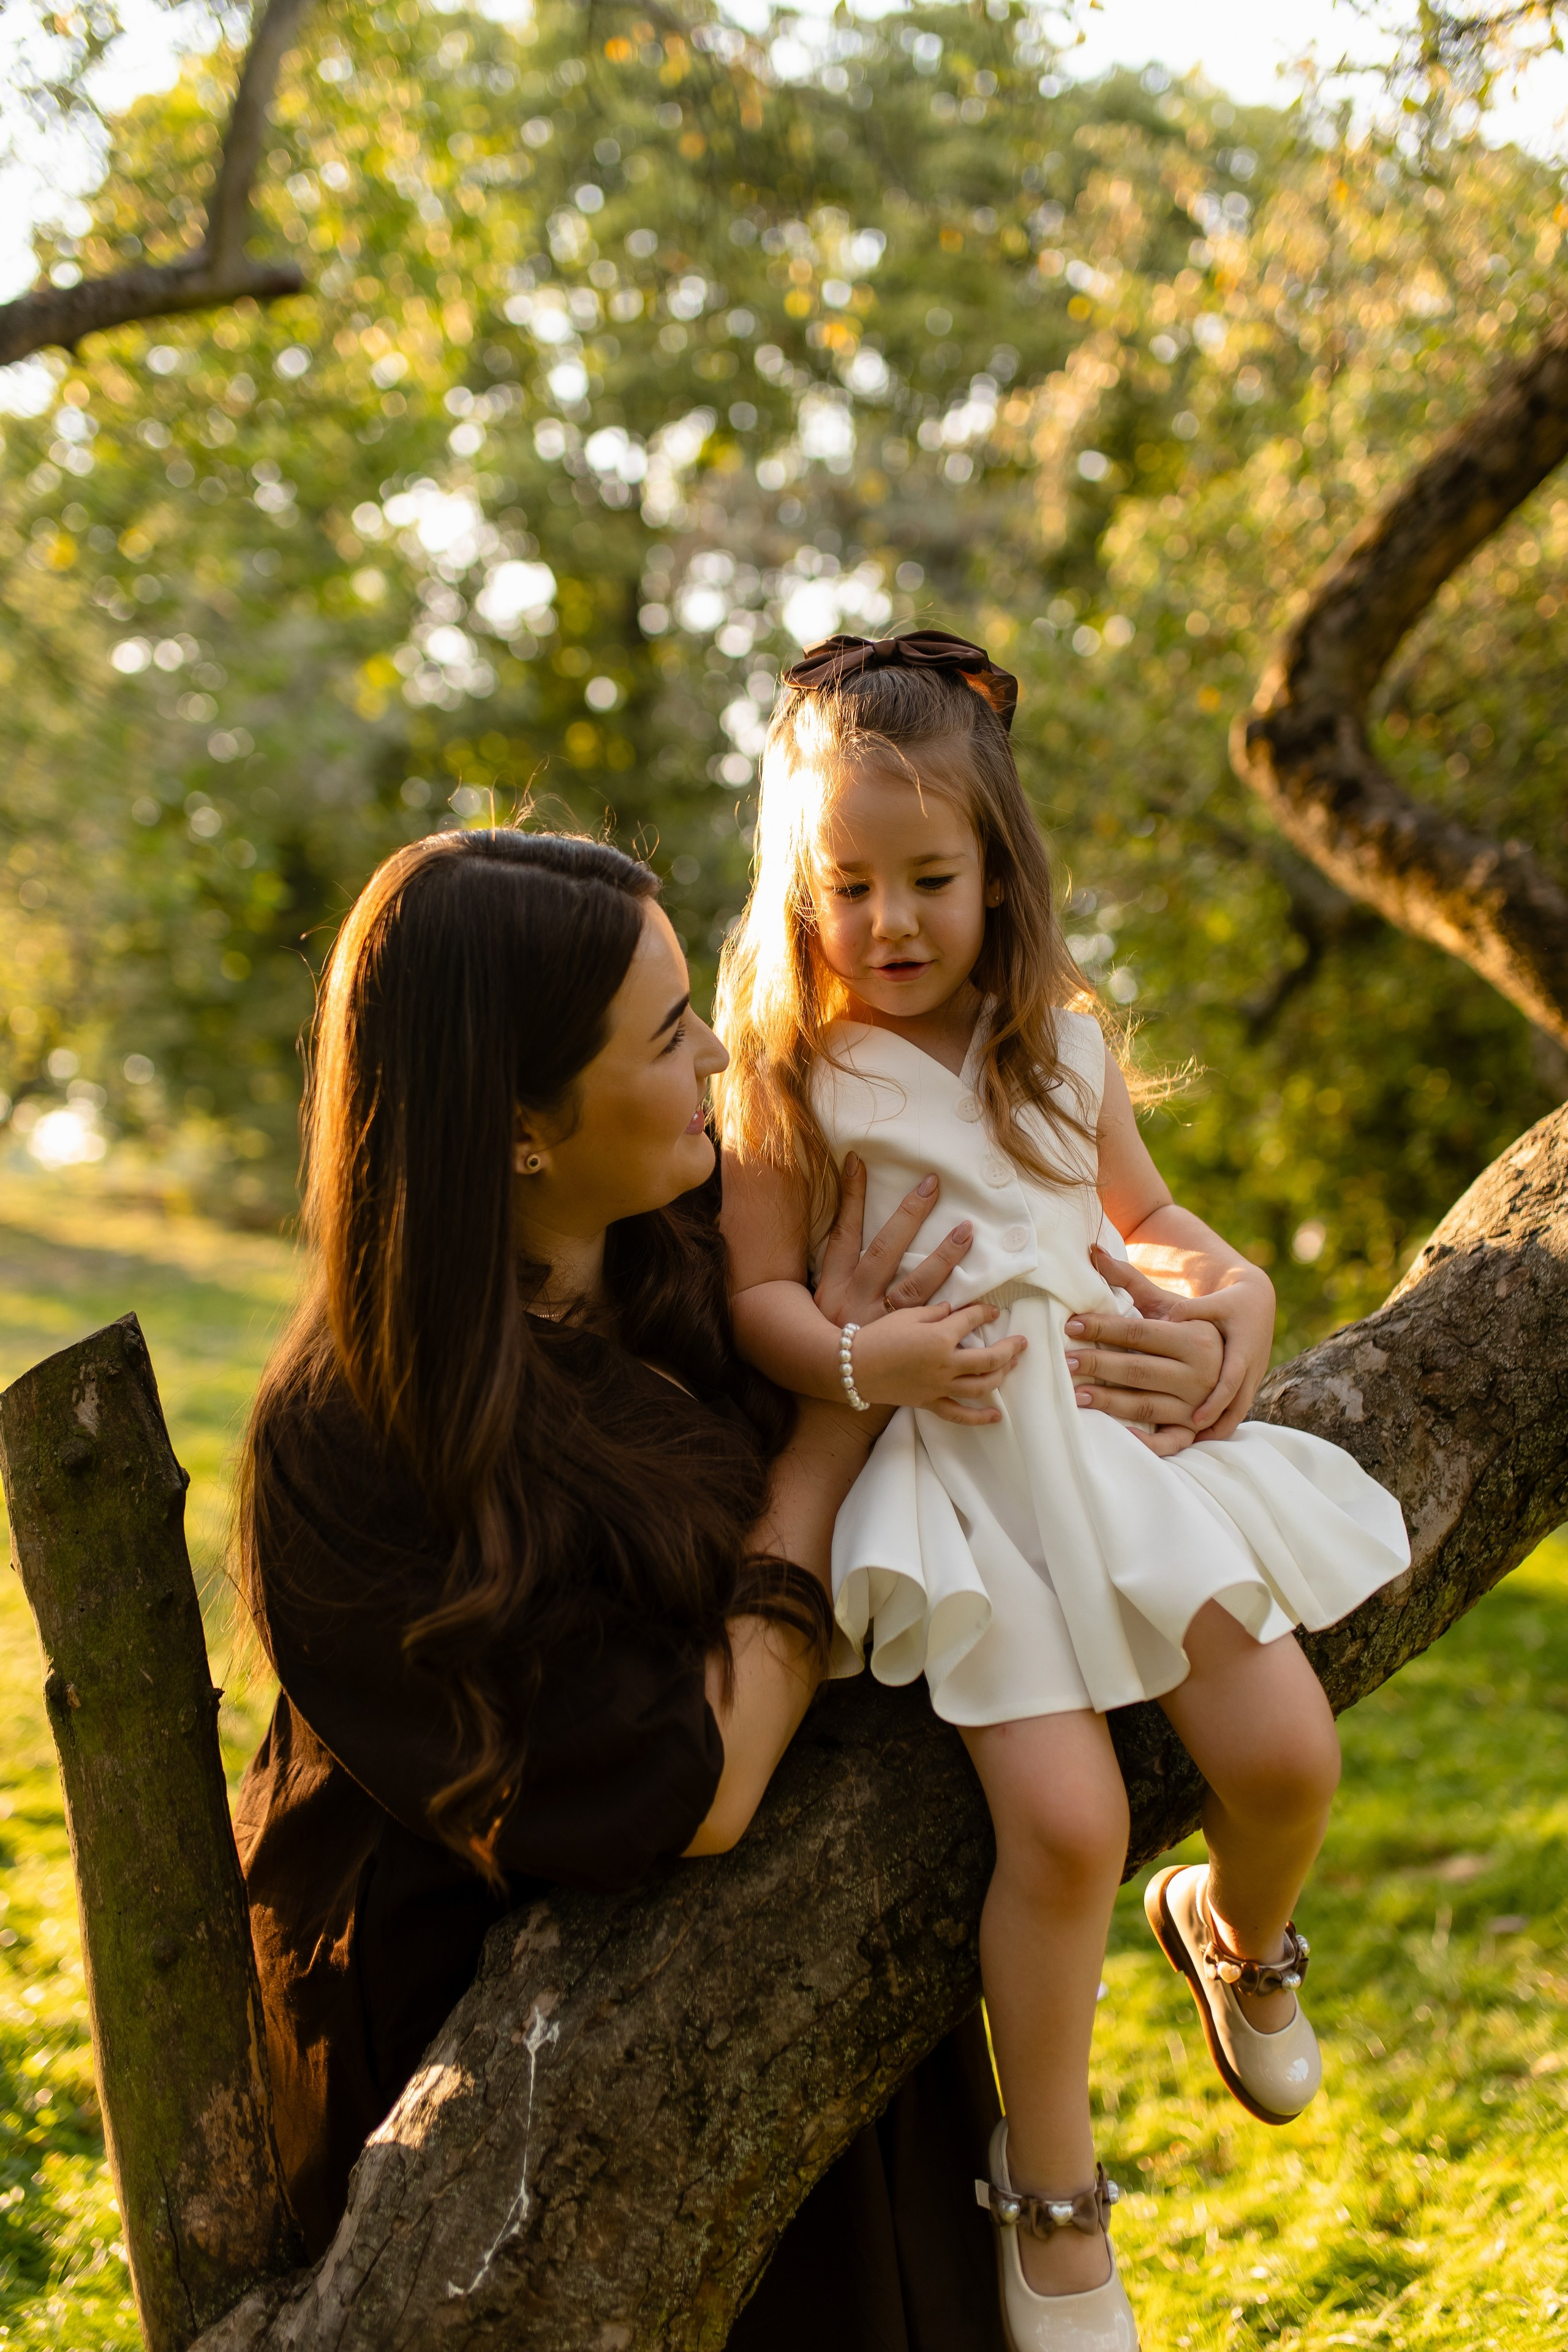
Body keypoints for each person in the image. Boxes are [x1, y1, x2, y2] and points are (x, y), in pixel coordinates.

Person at [235, 824, 1104, 2349]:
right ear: (516, 1129)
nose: (719, 1047)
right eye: (665, 1032)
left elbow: (1029, 1293)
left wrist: (1202, 1312)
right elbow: (692, 1784)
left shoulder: (704, 1245)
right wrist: (826, 1443)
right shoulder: (356, 1442)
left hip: (815, 1965)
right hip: (511, 2068)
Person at [715, 630, 1412, 2352]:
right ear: (797, 897)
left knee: (1286, 1755)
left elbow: (1152, 1229)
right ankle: (1054, 2187)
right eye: (847, 886)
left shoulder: (1062, 1055)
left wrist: (1229, 1294)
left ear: (1001, 874)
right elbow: (760, 1302)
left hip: (1108, 1452)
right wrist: (874, 1366)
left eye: (929, 879)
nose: (888, 923)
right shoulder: (796, 1083)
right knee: (1071, 1825)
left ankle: (1238, 1940)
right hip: (955, 1482)